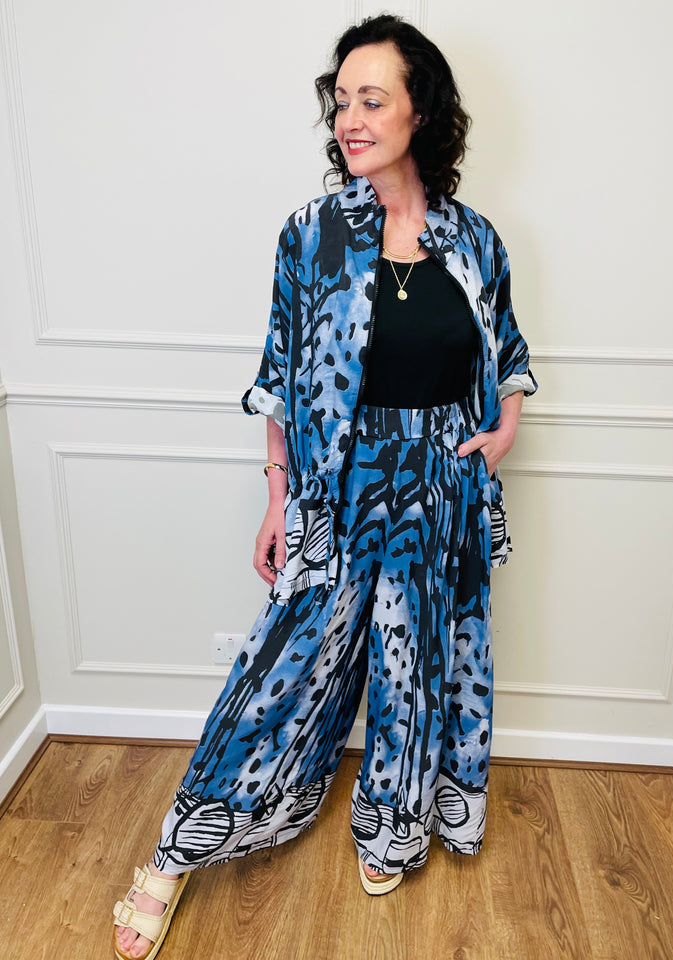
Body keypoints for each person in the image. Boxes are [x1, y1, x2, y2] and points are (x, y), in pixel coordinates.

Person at [112, 13, 537, 960]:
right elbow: (279, 375)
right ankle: (176, 855)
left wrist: (503, 430)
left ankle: (392, 826)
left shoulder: (475, 240)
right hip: (336, 487)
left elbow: (507, 352)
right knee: (280, 669)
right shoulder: (311, 237)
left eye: (372, 99)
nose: (350, 119)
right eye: (341, 101)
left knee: (412, 667)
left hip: (439, 485)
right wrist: (277, 494)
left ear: (422, 112)